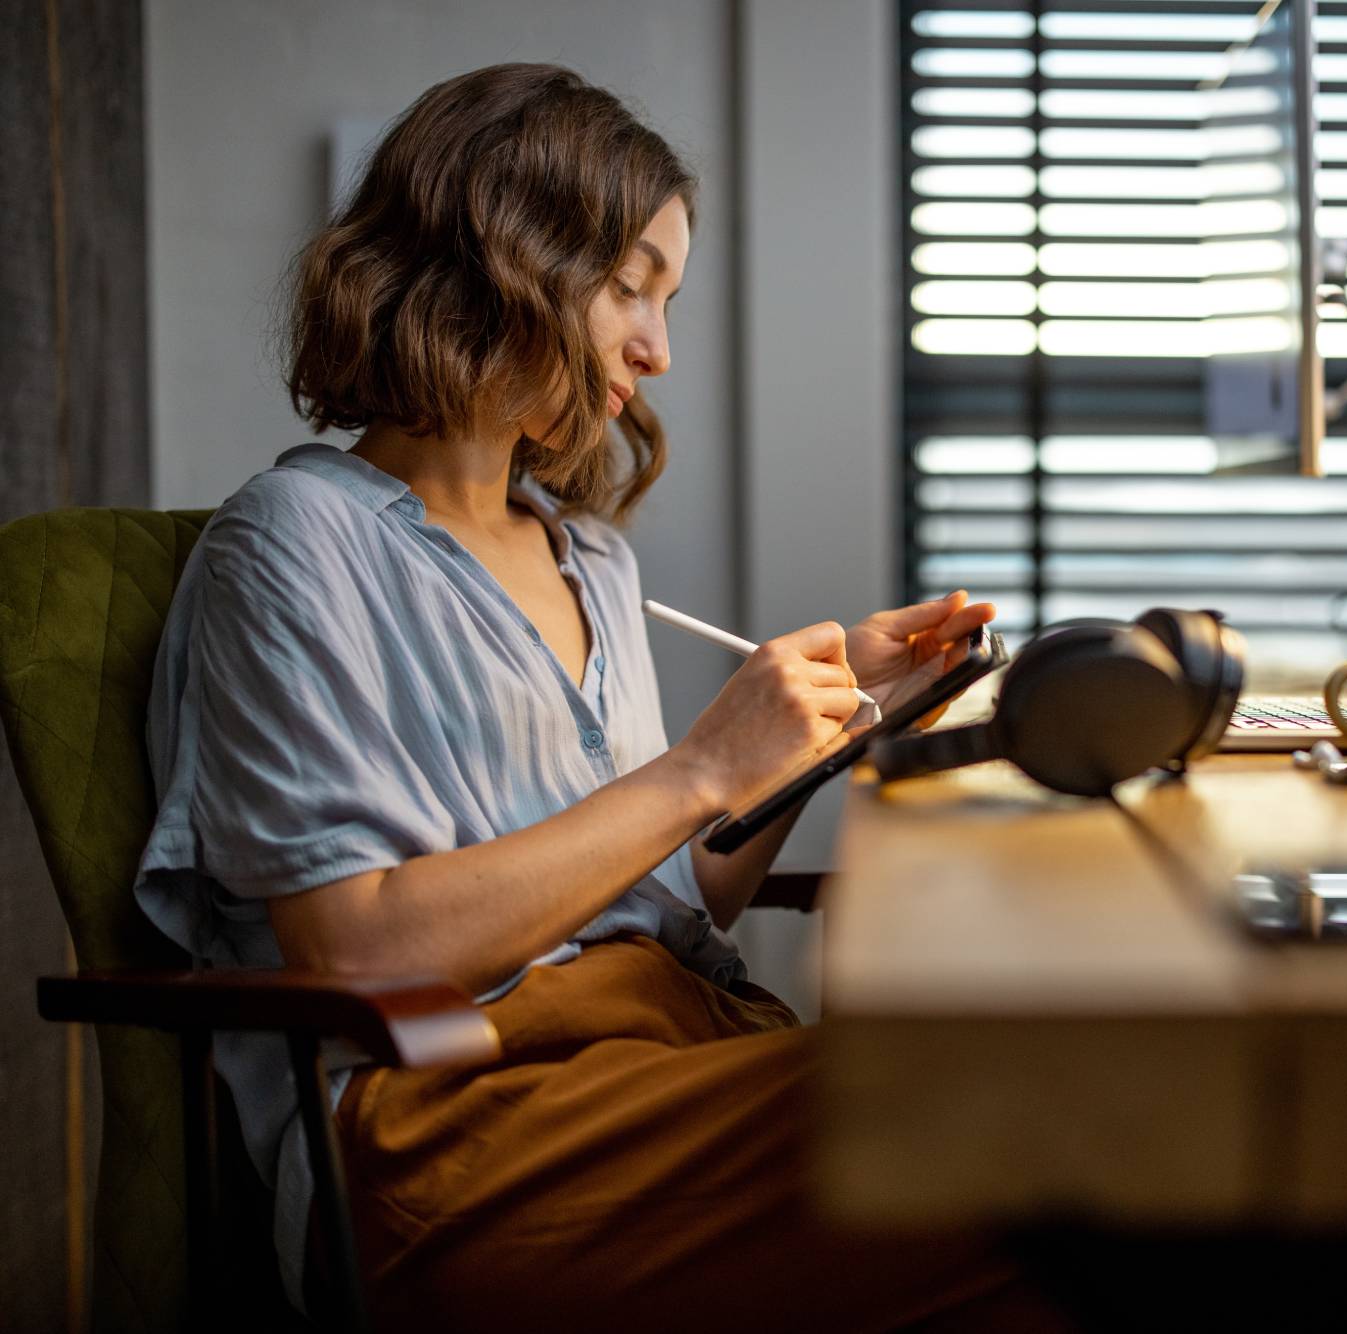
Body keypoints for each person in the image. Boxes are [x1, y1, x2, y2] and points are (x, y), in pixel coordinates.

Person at [133, 63, 1052, 1331]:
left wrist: (825, 730)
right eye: (630, 286)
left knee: (1065, 1152)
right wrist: (698, 768)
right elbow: (354, 946)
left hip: (656, 1060)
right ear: (499, 253)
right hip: (456, 1128)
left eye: (667, 300)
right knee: (1021, 1118)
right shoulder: (291, 542)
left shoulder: (588, 556)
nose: (657, 349)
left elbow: (663, 905)